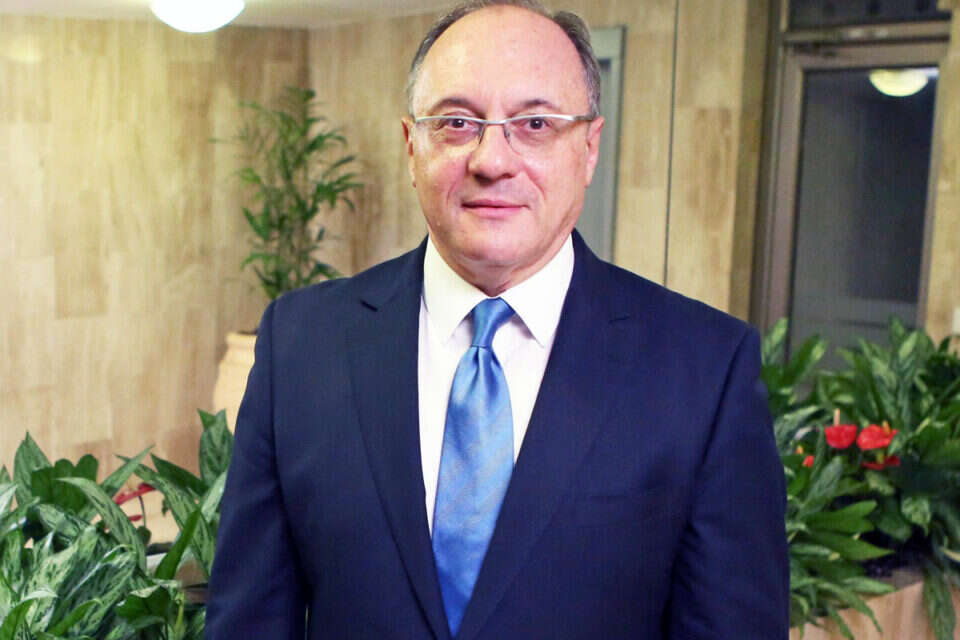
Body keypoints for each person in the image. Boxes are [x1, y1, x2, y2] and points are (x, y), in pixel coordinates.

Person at [205, 1, 789, 638]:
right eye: (457, 123)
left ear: (589, 147)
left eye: (534, 124)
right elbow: (249, 621)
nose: (492, 160)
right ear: (411, 146)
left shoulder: (704, 369)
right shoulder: (301, 345)